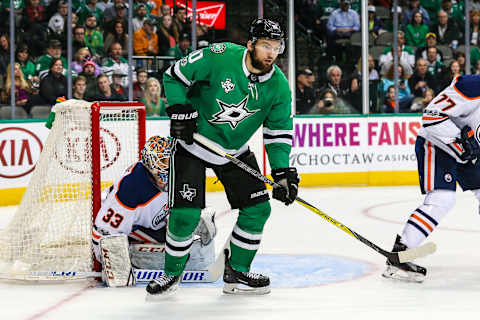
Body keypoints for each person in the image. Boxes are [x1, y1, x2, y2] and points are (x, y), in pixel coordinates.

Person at [146, 18, 299, 297]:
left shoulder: (279, 87)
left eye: (277, 47)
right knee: (185, 215)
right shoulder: (221, 56)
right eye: (266, 45)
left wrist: (281, 172)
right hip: (193, 145)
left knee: (258, 209)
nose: (271, 53)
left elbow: (278, 133)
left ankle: (237, 271)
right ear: (251, 44)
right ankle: (171, 274)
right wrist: (180, 107)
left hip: (233, 152)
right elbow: (174, 75)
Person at [382, 74, 480, 283]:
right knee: (442, 199)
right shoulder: (473, 86)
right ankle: (402, 252)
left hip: (470, 152)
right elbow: (431, 115)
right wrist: (461, 141)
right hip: (438, 144)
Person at [93, 136, 217, 286]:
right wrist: (112, 260)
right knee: (189, 256)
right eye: (165, 161)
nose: (172, 165)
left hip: (154, 224)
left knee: (194, 235)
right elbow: (104, 231)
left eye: (173, 160)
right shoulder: (132, 187)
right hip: (131, 230)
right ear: (151, 163)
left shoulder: (179, 175)